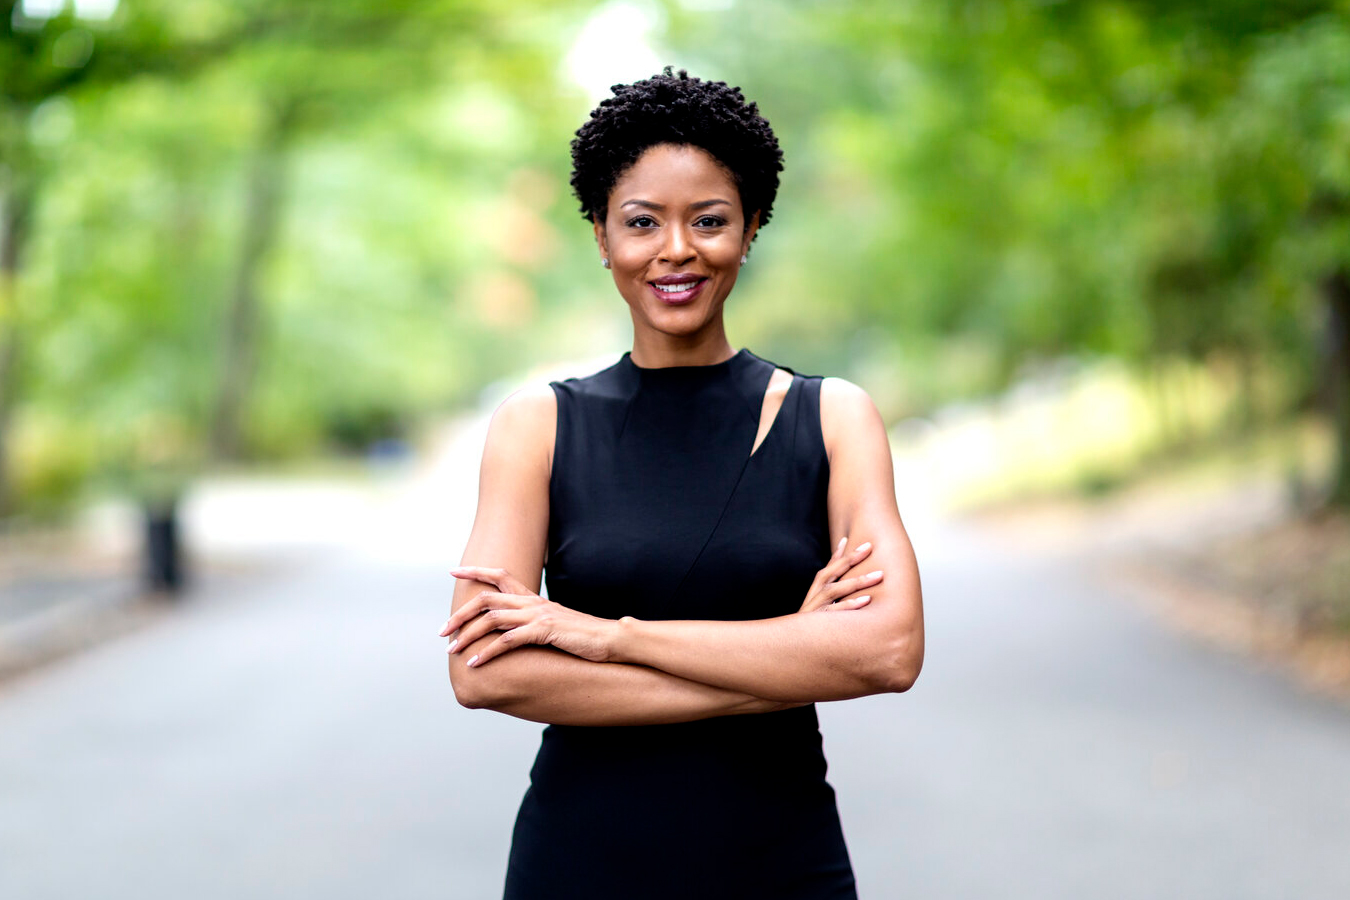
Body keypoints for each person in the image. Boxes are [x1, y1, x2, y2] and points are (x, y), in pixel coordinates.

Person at [439, 68, 924, 900]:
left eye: (709, 220)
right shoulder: (537, 427)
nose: (675, 250)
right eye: (641, 222)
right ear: (600, 235)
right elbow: (486, 669)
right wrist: (783, 657)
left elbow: (886, 650)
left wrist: (608, 637)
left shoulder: (835, 419)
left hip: (781, 863)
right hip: (583, 864)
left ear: (752, 227)